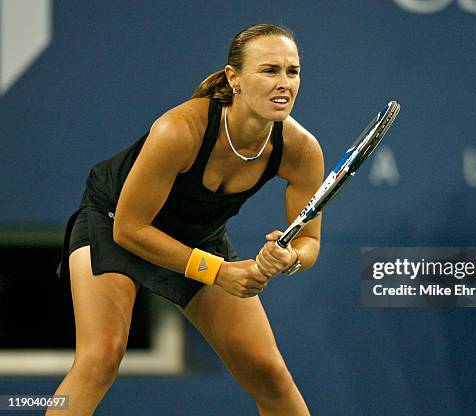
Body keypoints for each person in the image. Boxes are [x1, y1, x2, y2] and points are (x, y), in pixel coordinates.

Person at [48, 23, 323, 416]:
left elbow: (308, 242)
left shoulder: (301, 150)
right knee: (101, 357)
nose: (284, 83)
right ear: (235, 78)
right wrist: (217, 271)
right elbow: (129, 230)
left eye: (292, 71)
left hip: (198, 236)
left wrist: (290, 259)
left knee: (270, 374)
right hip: (114, 221)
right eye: (269, 70)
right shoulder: (179, 130)